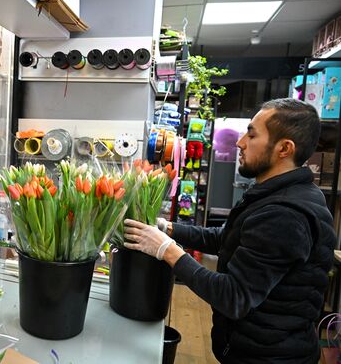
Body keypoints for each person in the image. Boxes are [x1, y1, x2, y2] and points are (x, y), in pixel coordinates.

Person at [124, 98, 336, 364]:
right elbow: (226, 239)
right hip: (254, 346)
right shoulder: (276, 194)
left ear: (284, 148)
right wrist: (168, 228)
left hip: (268, 357)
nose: (239, 142)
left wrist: (168, 251)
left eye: (252, 134)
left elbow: (233, 296)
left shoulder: (285, 214)